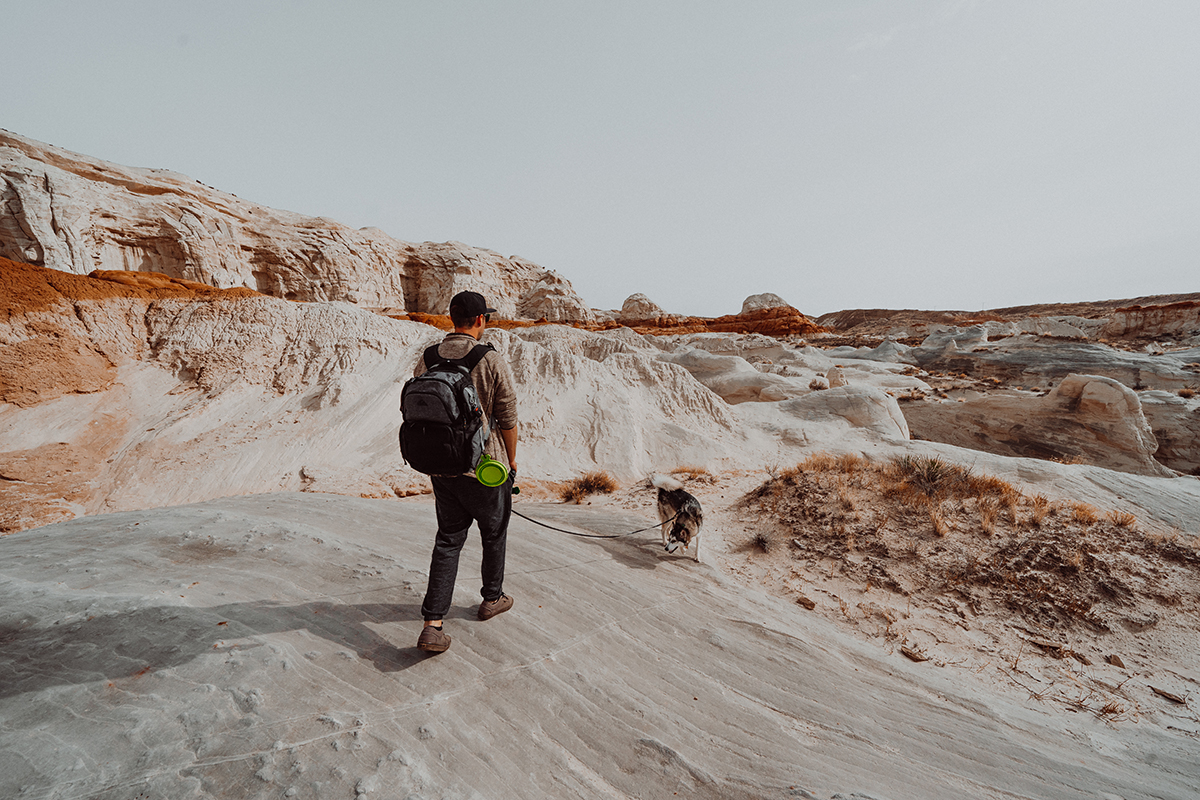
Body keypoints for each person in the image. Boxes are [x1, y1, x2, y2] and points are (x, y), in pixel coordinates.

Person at [415, 291, 519, 653]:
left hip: (442, 467)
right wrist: (513, 461)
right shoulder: (489, 358)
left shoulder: (428, 357)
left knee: (448, 540)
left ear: (452, 318)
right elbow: (507, 416)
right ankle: (492, 598)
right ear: (479, 320)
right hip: (485, 468)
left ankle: (432, 624)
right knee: (494, 532)